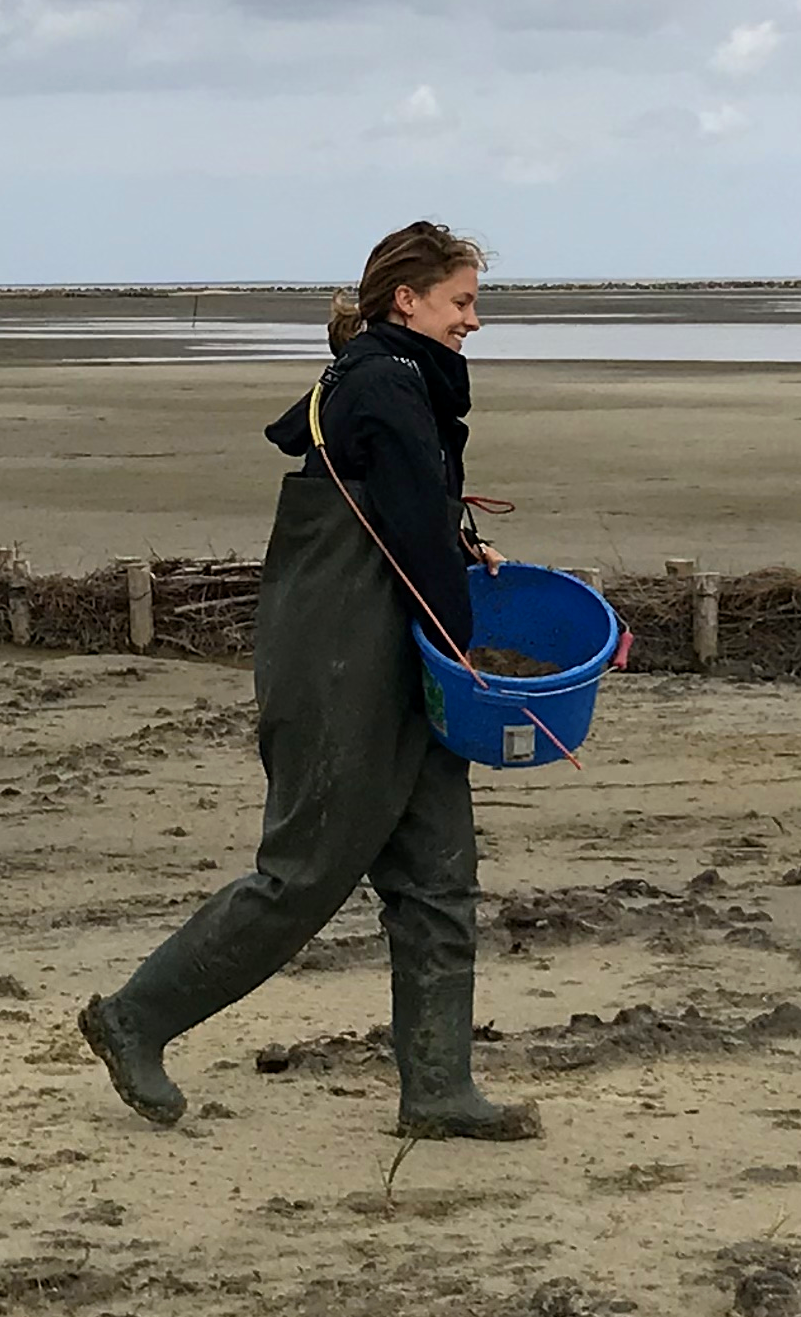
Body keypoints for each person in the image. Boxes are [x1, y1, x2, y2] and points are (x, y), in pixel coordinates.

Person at [79, 221, 540, 1141]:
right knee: (301, 875)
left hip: (393, 662)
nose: (474, 322)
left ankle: (439, 1089)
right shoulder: (381, 383)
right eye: (462, 302)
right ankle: (134, 1018)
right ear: (406, 302)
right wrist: (471, 660)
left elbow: (412, 515)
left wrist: (459, 540)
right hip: (343, 666)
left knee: (439, 878)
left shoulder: (397, 384)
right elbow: (406, 537)